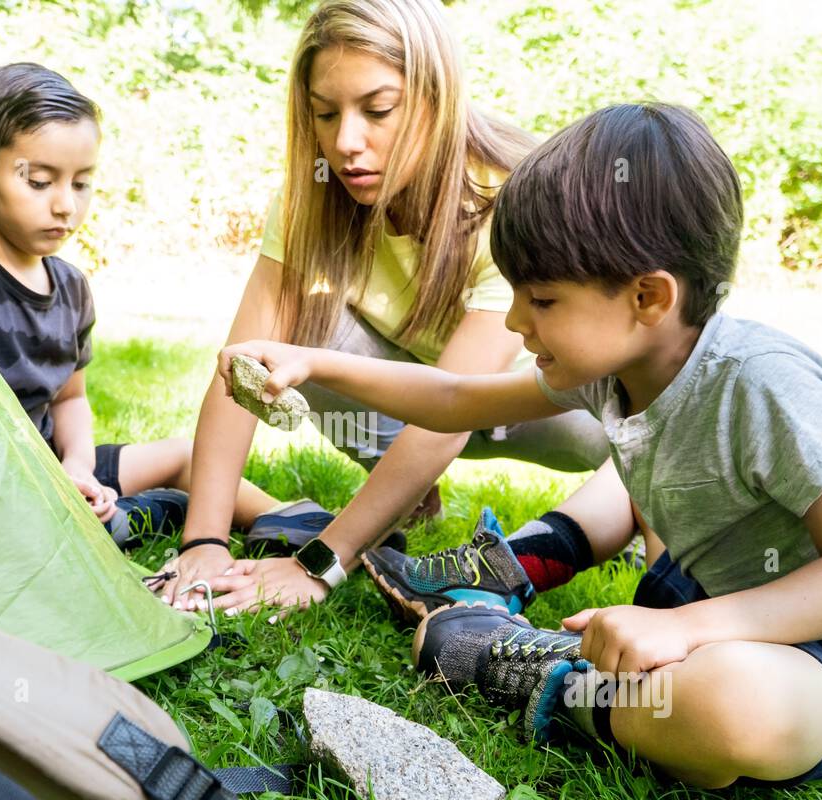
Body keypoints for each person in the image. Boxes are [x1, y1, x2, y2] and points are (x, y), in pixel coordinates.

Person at [217, 103, 822, 789]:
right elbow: (456, 398)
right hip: (697, 608)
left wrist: (693, 628)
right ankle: (546, 633)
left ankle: (535, 668)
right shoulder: (610, 371)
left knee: (725, 708)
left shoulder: (765, 383)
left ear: (648, 297)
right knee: (691, 680)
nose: (517, 320)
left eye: (544, 300)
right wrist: (316, 363)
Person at [161, 0, 608, 613]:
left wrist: (320, 562)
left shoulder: (512, 197)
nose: (346, 142)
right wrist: (204, 541)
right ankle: (407, 492)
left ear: (436, 97)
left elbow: (450, 406)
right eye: (325, 113)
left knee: (606, 430)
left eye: (378, 110)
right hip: (426, 389)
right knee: (297, 343)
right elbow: (243, 366)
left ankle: (629, 499)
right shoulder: (311, 196)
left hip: (547, 403)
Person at [0, 63, 281, 548]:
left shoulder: (69, 285)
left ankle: (303, 524)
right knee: (54, 531)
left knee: (185, 455)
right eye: (40, 181)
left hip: (57, 466)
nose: (65, 205)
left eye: (81, 183)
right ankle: (150, 514)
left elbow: (70, 398)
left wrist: (78, 467)